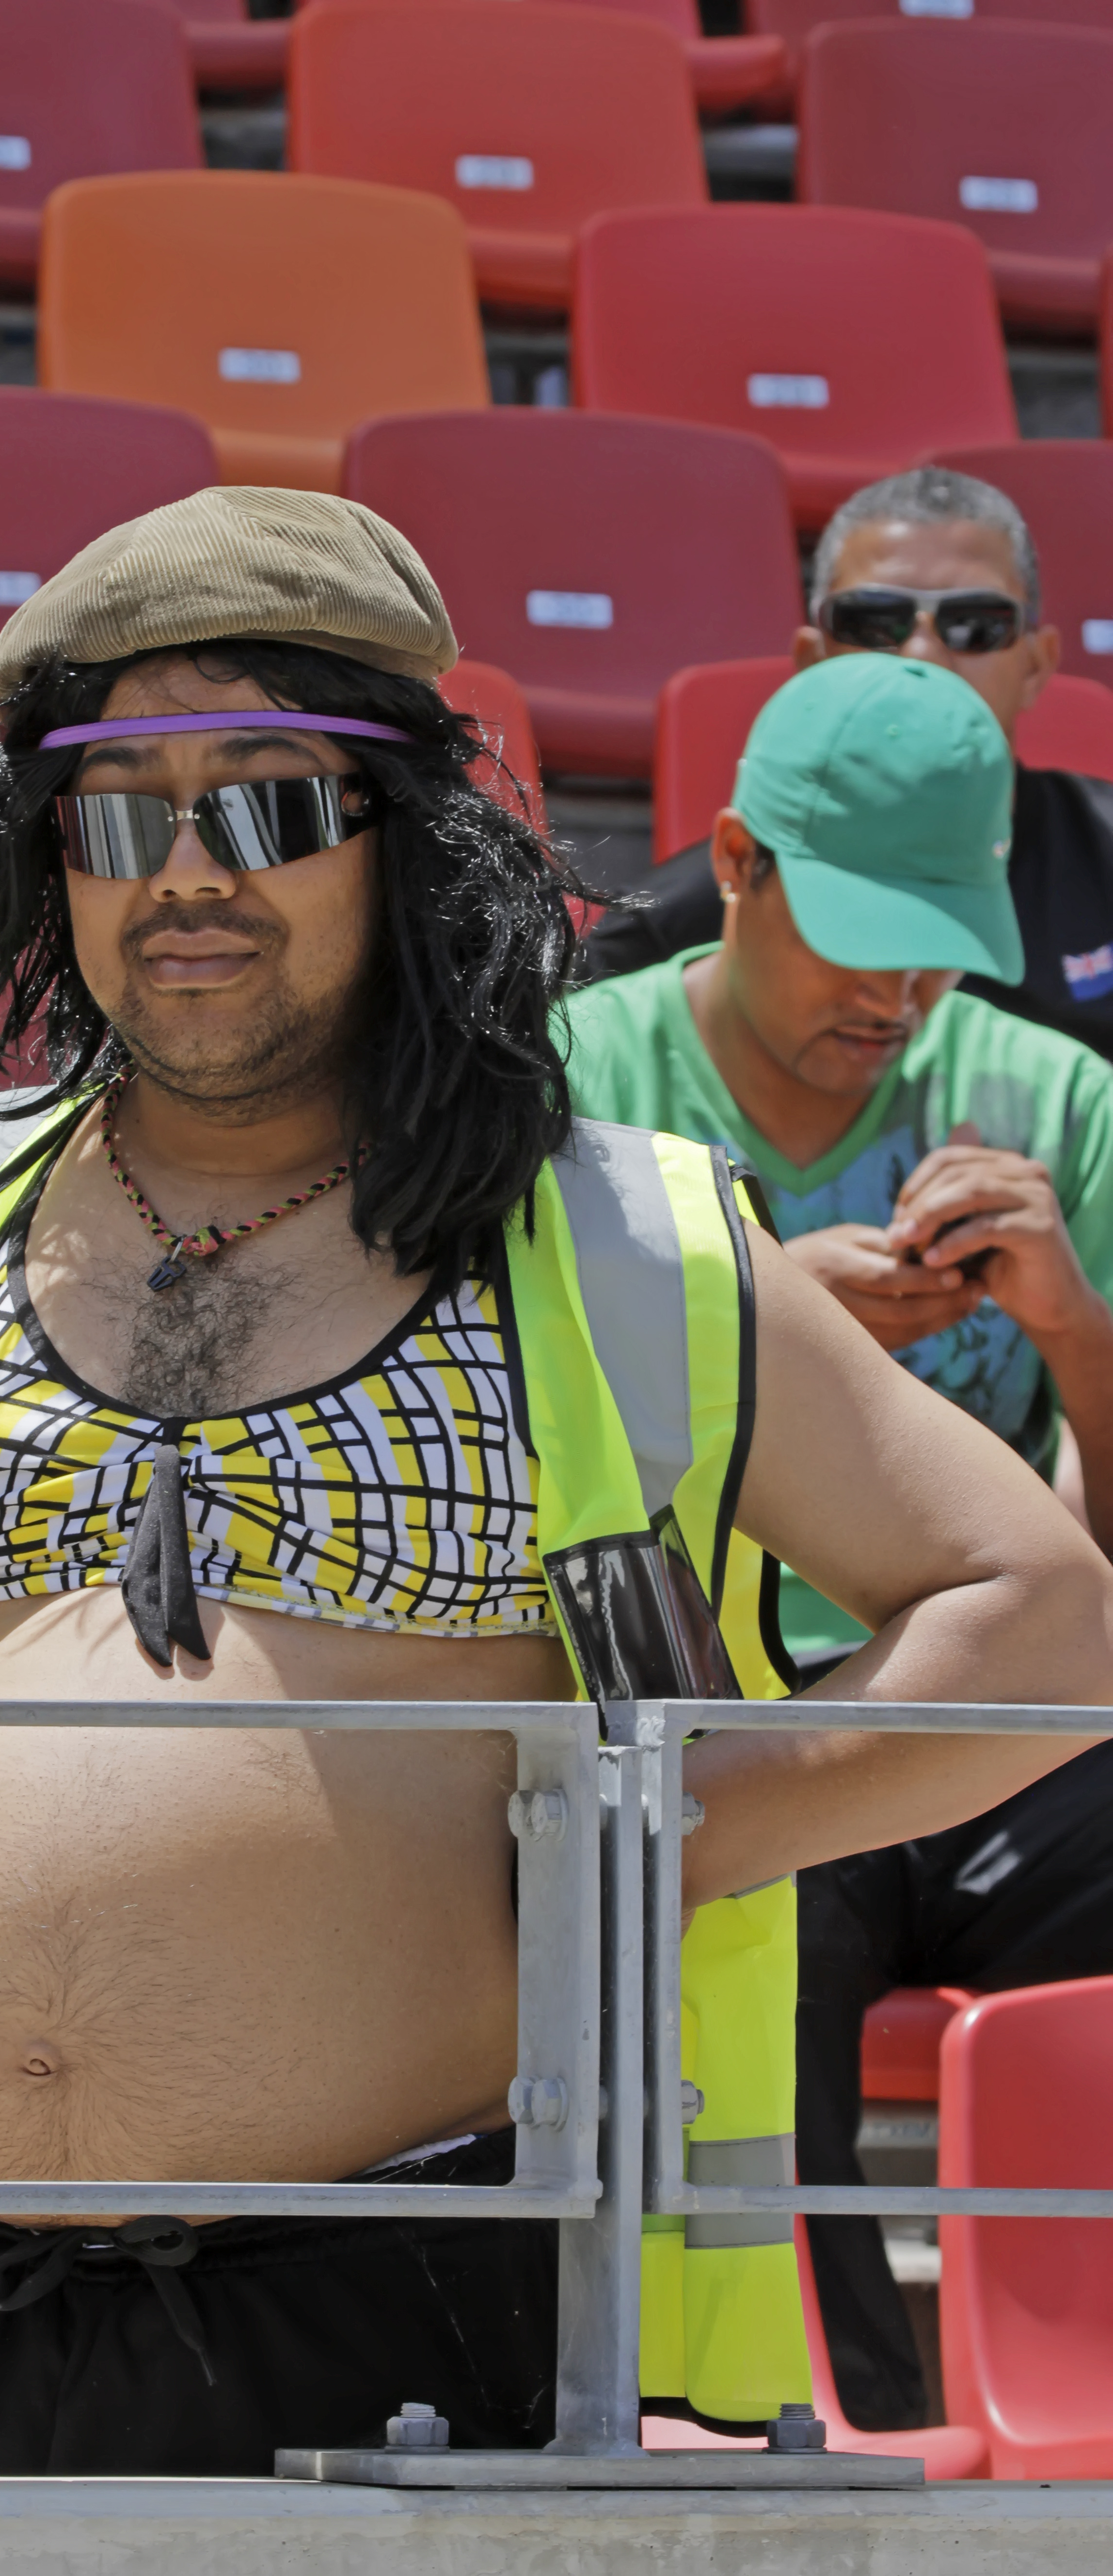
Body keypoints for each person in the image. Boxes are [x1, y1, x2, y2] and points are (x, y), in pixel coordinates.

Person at [0, 489, 1113, 2480]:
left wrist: (677, 1820)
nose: (188, 871)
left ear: (405, 836)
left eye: (271, 803)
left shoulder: (614, 1235)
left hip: (403, 2326)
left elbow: (1044, 1613)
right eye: (118, 814)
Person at [563, 649, 1113, 2430]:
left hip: (994, 1709)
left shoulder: (1054, 1100)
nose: (898, 992)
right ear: (732, 863)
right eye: (861, 935)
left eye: (935, 943)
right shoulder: (574, 1084)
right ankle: (832, 2417)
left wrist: (1076, 1332)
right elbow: (505, 1464)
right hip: (711, 1709)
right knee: (748, 1901)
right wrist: (748, 1322)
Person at [586, 466, 1113, 1064]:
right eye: (873, 621)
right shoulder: (673, 928)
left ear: (1038, 665)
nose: (922, 653)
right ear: (813, 660)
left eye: (975, 624)